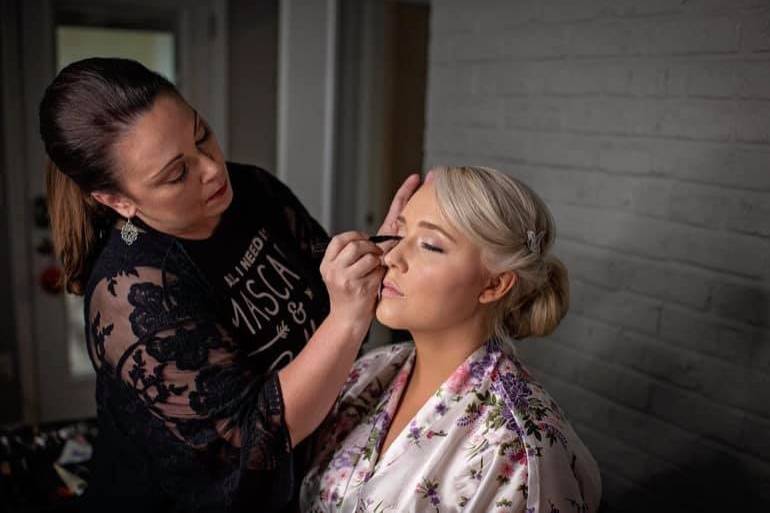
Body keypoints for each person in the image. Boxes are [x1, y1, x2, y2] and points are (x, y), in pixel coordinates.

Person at [38, 57, 420, 512]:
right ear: (117, 200)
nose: (212, 170)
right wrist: (347, 319)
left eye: (202, 136)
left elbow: (326, 286)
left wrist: (378, 260)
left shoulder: (252, 189)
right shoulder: (132, 293)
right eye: (176, 174)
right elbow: (253, 443)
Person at [300, 166, 602, 513]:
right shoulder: (366, 373)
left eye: (429, 245)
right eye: (399, 234)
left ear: (494, 285)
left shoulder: (521, 450)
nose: (392, 256)